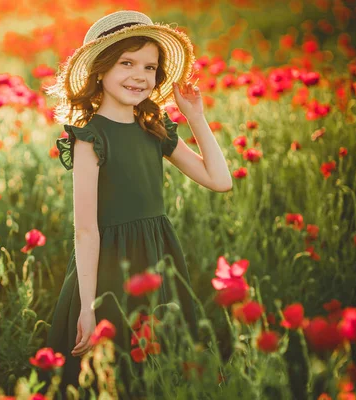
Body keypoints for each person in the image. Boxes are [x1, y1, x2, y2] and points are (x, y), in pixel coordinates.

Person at [43, 10, 232, 399]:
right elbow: (85, 228)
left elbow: (220, 180)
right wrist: (88, 305)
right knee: (114, 373)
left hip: (157, 257)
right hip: (109, 268)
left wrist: (195, 116)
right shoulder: (89, 138)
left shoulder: (155, 129)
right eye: (126, 63)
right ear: (100, 70)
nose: (139, 75)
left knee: (160, 369)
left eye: (150, 66)